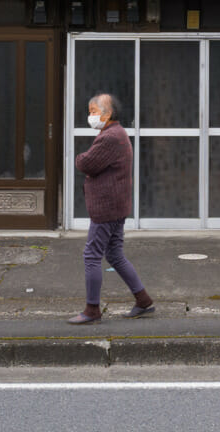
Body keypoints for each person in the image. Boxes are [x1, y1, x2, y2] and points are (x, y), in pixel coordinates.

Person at [68, 93, 155, 325]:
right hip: (117, 205)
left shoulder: (109, 137)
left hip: (106, 207)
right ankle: (143, 300)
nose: (90, 116)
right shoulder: (116, 134)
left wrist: (80, 158)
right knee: (114, 254)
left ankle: (92, 310)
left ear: (108, 114)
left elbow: (86, 163)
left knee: (91, 256)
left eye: (93, 111)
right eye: (90, 111)